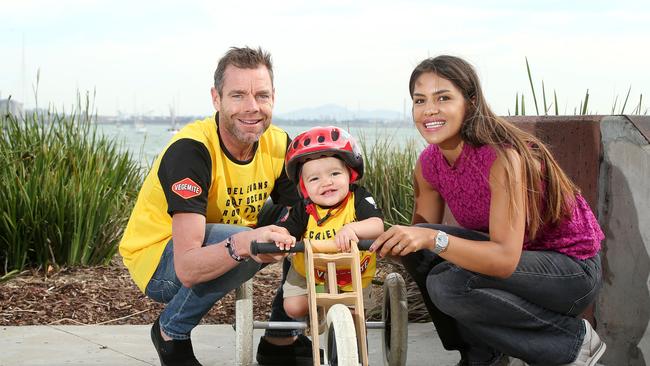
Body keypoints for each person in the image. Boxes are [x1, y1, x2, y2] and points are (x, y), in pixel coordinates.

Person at [370, 55, 606, 366]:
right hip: (518, 264)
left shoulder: (502, 158)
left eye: (443, 98)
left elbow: (504, 259)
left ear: (470, 101)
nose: (429, 110)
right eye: (419, 100)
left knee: (448, 283)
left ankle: (573, 341)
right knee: (420, 250)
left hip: (570, 273)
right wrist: (376, 241)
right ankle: (481, 356)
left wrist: (432, 240)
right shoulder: (429, 164)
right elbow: (419, 243)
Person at [119, 46, 313, 366]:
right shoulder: (191, 151)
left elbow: (303, 210)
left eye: (262, 95)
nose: (252, 108)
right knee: (250, 240)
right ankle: (171, 331)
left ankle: (281, 337)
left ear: (274, 97)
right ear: (216, 98)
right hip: (160, 259)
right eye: (238, 95)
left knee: (313, 216)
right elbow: (188, 267)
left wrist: (292, 231)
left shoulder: (279, 143)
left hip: (223, 233)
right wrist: (246, 243)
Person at [273, 126, 384, 319]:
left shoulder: (357, 198)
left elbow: (377, 226)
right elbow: (286, 230)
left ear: (350, 175)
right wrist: (282, 238)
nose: (327, 182)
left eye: (334, 174)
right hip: (310, 270)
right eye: (314, 178)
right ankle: (319, 308)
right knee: (293, 307)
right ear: (304, 187)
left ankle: (350, 340)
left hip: (352, 273)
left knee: (355, 318)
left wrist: (353, 228)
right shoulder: (304, 208)